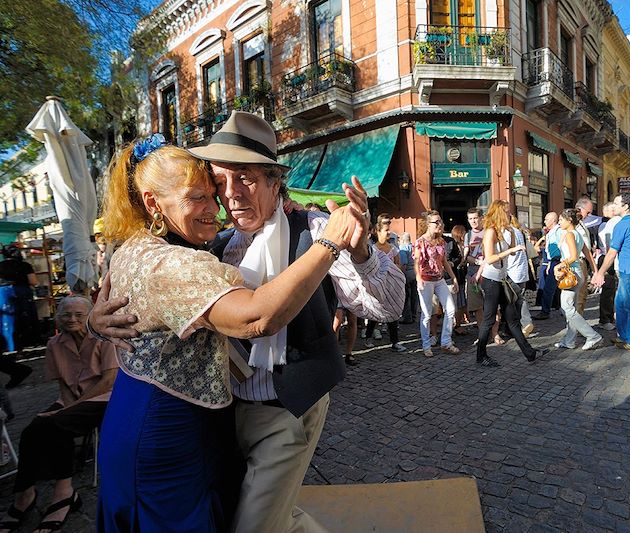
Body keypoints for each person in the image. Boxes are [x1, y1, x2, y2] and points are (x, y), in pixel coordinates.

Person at [92, 119, 400, 531]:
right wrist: (97, 321)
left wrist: (360, 250)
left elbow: (390, 307)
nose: (231, 195)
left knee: (254, 526)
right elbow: (145, 295)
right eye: (219, 182)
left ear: (276, 182)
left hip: (284, 409)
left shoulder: (314, 229)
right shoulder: (212, 244)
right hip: (223, 417)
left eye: (246, 178)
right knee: (265, 517)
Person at [0, 296, 116, 533]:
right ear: (57, 318)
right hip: (72, 401)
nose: (72, 319)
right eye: (66, 315)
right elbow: (63, 384)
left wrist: (71, 408)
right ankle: (25, 494)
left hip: (104, 400)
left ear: (90, 316)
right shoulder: (55, 344)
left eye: (79, 315)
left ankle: (63, 493)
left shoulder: (105, 338)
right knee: (32, 430)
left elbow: (109, 381)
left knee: (55, 425)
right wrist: (65, 406)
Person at [474, 200, 548, 367]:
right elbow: (490, 258)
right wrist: (510, 250)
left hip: (502, 279)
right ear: (500, 213)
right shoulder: (490, 232)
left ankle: (530, 354)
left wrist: (515, 232)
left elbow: (516, 247)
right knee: (489, 319)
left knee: (512, 318)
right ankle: (481, 356)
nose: (509, 214)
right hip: (491, 280)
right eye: (507, 212)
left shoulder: (504, 231)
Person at [591, 192, 630, 350]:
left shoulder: (622, 224)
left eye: (616, 203)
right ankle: (623, 336)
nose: (613, 206)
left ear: (625, 206)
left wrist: (600, 272)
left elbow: (612, 252)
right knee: (621, 303)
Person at [552, 209, 604, 351]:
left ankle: (592, 336)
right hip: (578, 273)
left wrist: (559, 265)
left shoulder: (569, 234)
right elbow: (588, 255)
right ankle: (569, 340)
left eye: (561, 220)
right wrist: (596, 272)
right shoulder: (578, 234)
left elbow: (574, 256)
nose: (559, 222)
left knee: (567, 308)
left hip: (571, 274)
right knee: (571, 308)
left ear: (569, 221)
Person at [414, 211, 460, 357]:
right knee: (427, 314)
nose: (440, 224)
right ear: (428, 224)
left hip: (439, 280)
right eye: (436, 222)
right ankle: (426, 345)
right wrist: (418, 278)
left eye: (440, 221)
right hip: (426, 281)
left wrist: (453, 278)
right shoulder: (420, 242)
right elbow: (416, 262)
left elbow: (444, 261)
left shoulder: (441, 241)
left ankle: (446, 341)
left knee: (451, 309)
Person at [364, 214, 406, 352]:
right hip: (378, 285)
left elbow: (399, 265)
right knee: (376, 312)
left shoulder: (393, 248)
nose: (389, 233)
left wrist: (392, 270)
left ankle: (395, 342)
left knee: (393, 313)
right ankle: (369, 336)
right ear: (378, 231)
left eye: (389, 230)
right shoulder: (373, 249)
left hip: (391, 285)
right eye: (386, 230)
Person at [0, 245, 40, 350]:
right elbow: (33, 281)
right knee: (26, 318)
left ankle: (9, 345)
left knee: (6, 320)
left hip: (3, 294)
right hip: (22, 293)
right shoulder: (25, 265)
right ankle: (28, 344)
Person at [596, 202, 620, 330]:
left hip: (609, 256)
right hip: (608, 256)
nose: (616, 210)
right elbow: (608, 243)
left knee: (611, 289)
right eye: (614, 209)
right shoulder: (606, 224)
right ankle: (605, 319)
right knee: (608, 289)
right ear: (608, 211)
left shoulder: (608, 223)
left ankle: (609, 317)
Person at [533, 212, 561, 320]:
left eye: (546, 219)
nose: (544, 221)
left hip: (556, 261)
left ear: (553, 220)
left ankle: (545, 311)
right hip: (552, 261)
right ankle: (549, 309)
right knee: (550, 288)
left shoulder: (557, 231)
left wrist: (553, 261)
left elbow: (559, 247)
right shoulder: (551, 232)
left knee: (549, 288)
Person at [450, 224, 469, 335]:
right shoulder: (455, 247)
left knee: (461, 303)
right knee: (457, 303)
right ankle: (456, 325)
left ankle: (458, 323)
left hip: (461, 278)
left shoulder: (462, 246)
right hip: (457, 277)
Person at [398, 232, 418, 324]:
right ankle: (414, 315)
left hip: (407, 273)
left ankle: (407, 317)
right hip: (416, 272)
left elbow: (404, 264)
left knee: (406, 296)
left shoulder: (403, 249)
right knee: (414, 295)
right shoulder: (414, 247)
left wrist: (400, 276)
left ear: (402, 240)